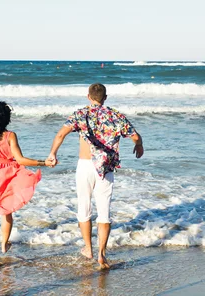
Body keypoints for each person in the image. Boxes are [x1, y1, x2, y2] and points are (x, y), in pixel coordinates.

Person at [47, 83, 143, 269]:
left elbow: (60, 135)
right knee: (104, 211)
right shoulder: (116, 115)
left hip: (84, 165)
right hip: (105, 167)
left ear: (88, 96)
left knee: (84, 208)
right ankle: (102, 254)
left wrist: (53, 154)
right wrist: (139, 146)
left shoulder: (80, 114)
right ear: (105, 97)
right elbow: (135, 136)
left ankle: (89, 249)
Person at [0, 101, 55, 268]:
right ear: (7, 119)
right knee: (7, 212)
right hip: (8, 176)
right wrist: (43, 163)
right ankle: (4, 244)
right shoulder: (10, 136)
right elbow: (20, 160)